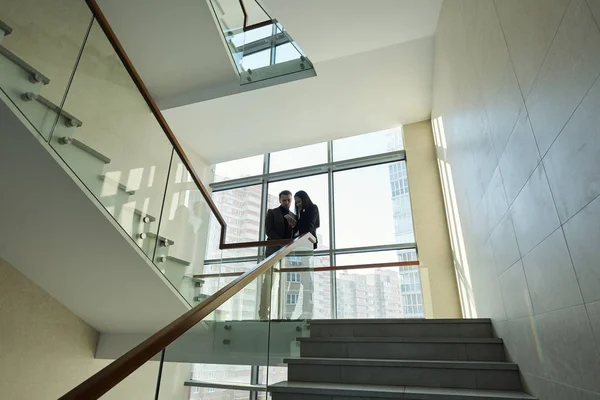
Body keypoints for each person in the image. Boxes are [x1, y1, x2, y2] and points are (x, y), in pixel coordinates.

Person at [282, 190, 319, 319]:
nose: (297, 205)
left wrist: (299, 224)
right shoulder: (301, 212)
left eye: (299, 202)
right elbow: (302, 227)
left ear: (305, 199)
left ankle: (307, 312)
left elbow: (311, 226)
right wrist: (295, 224)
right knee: (296, 281)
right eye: (296, 203)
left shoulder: (312, 208)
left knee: (304, 280)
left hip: (305, 246)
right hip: (297, 248)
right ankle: (289, 314)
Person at [258, 190, 295, 320]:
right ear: (280, 200)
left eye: (288, 200)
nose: (286, 202)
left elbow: (295, 236)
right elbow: (269, 231)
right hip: (273, 250)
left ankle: (282, 314)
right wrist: (281, 244)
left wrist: (292, 227)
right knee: (268, 282)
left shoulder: (293, 216)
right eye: (284, 200)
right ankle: (263, 313)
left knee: (285, 283)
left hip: (287, 253)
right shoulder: (272, 212)